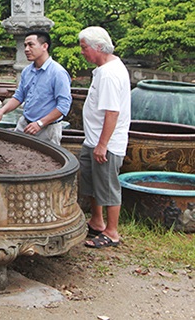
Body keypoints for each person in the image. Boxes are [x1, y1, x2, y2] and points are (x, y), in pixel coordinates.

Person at [78, 25, 131, 249]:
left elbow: (112, 112)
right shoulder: (103, 69)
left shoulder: (110, 74)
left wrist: (102, 145)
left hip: (106, 143)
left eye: (84, 48)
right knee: (91, 182)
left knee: (108, 186)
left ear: (98, 47)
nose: (82, 52)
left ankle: (112, 232)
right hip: (93, 139)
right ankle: (97, 221)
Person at [0, 31, 71, 146]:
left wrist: (40, 123)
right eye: (25, 45)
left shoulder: (58, 73)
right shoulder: (27, 71)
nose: (26, 49)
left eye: (31, 45)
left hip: (47, 129)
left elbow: (63, 106)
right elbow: (19, 96)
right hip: (24, 124)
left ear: (44, 46)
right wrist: (1, 112)